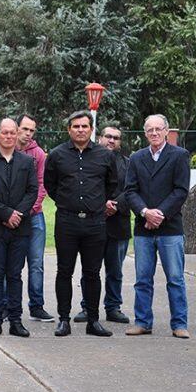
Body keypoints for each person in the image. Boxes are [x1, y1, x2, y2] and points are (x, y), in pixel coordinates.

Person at [44, 110, 117, 337]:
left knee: (93, 273)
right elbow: (51, 185)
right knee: (64, 271)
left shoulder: (105, 156)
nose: (80, 130)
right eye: (76, 126)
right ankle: (64, 320)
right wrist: (69, 202)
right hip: (67, 221)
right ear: (69, 129)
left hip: (95, 223)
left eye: (84, 126)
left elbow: (111, 185)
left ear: (91, 129)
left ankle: (93, 321)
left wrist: (95, 203)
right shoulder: (56, 155)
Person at [125, 114, 190, 339]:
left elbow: (181, 190)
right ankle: (142, 322)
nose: (154, 133)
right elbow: (130, 190)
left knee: (175, 278)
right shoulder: (136, 158)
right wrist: (145, 212)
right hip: (144, 228)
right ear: (145, 133)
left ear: (166, 131)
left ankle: (180, 324)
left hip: (170, 227)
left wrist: (159, 213)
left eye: (158, 129)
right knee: (143, 279)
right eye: (149, 129)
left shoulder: (180, 156)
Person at [0, 118, 37, 338]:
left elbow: (32, 191)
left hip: (19, 228)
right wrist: (5, 213)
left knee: (15, 275)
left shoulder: (26, 161)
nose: (9, 136)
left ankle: (15, 320)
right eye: (5, 133)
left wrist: (17, 214)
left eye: (13, 133)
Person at [73, 126, 131, 324]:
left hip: (118, 224)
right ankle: (87, 307)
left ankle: (113, 307)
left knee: (115, 271)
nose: (111, 140)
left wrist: (115, 204)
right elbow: (84, 186)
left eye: (116, 138)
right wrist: (101, 204)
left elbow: (132, 189)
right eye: (108, 136)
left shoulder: (128, 164)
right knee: (90, 269)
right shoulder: (87, 161)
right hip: (92, 224)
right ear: (99, 138)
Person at [15, 114, 53, 322]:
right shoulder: (6, 149)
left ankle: (37, 306)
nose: (28, 134)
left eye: (32, 130)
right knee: (11, 264)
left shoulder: (38, 154)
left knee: (36, 263)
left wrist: (28, 210)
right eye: (25, 129)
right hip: (10, 216)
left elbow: (41, 185)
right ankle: (5, 307)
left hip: (34, 216)